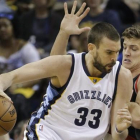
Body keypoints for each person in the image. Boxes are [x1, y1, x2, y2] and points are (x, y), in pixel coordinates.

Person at [0, 1, 132, 140]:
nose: (114, 58)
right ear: (91, 48)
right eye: (109, 52)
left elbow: (118, 135)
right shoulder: (68, 65)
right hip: (48, 134)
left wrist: (120, 129)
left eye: (117, 52)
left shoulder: (122, 76)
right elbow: (11, 76)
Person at [122, 25, 140, 140]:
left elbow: (138, 119)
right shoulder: (114, 71)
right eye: (124, 47)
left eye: (134, 49)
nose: (127, 53)